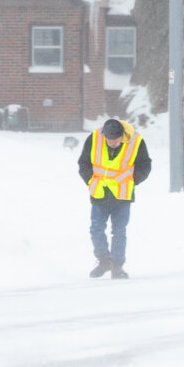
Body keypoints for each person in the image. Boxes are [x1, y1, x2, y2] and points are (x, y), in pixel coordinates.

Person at [77, 118, 152, 279]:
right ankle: (104, 261)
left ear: (122, 136)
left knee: (119, 231)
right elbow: (84, 163)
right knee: (96, 229)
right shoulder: (95, 138)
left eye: (115, 139)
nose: (111, 142)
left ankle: (117, 266)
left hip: (122, 195)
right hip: (99, 193)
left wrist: (133, 180)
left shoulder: (135, 141)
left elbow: (145, 165)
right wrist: (90, 181)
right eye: (108, 139)